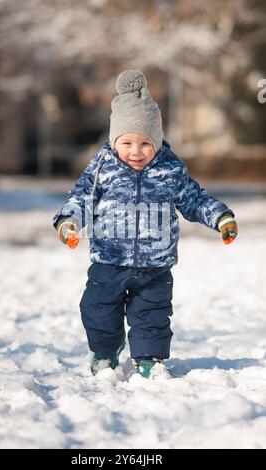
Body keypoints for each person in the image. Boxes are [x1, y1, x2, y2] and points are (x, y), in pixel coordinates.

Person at [52, 70, 238, 378]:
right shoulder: (103, 167)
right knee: (98, 311)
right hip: (109, 259)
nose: (136, 152)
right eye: (127, 143)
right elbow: (81, 198)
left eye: (145, 143)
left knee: (152, 315)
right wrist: (69, 222)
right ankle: (105, 351)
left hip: (155, 264)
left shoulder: (170, 169)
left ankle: (149, 358)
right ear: (114, 140)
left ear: (158, 140)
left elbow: (195, 199)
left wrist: (220, 217)